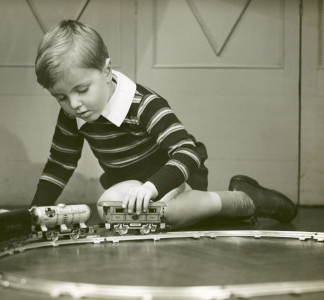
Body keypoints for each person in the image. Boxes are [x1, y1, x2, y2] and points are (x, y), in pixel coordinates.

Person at [30, 20, 297, 229]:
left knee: (166, 213)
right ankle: (195, 215)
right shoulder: (72, 116)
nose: (74, 104)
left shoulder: (144, 104)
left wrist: (152, 187)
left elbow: (186, 152)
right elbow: (60, 164)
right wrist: (35, 213)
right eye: (61, 97)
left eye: (82, 89)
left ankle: (245, 200)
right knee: (107, 208)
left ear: (107, 71)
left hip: (176, 177)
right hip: (134, 185)